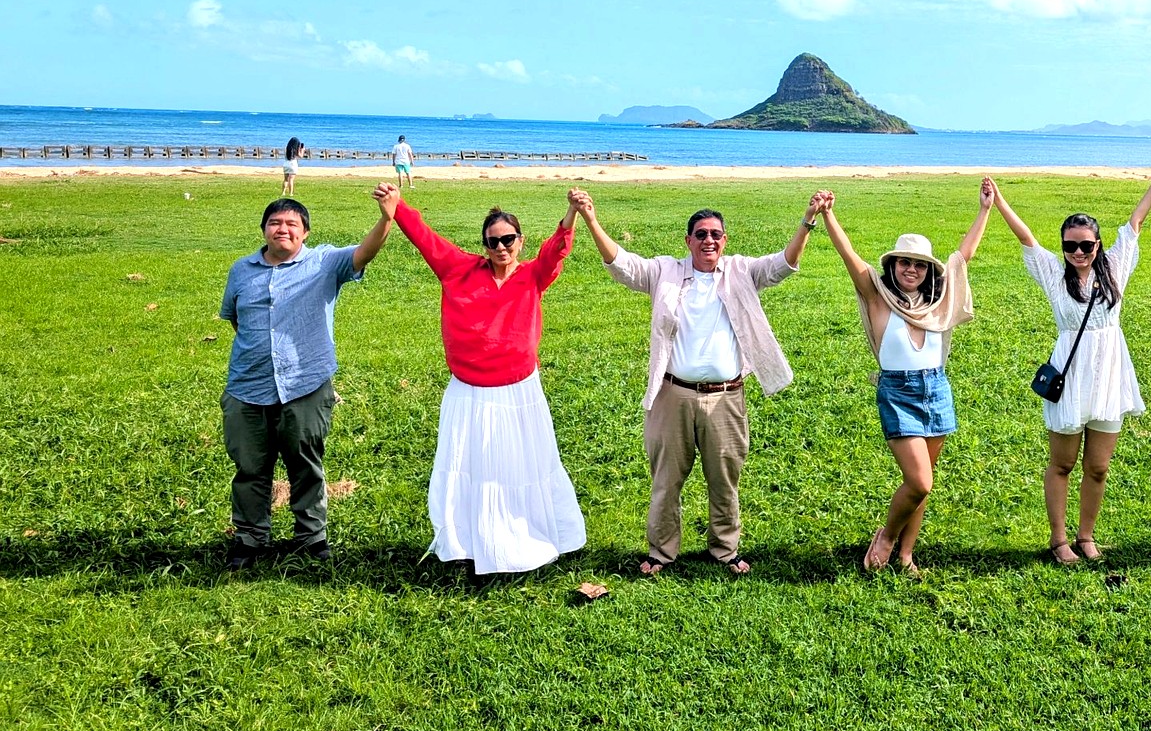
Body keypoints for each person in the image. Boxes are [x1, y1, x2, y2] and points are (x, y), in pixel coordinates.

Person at [571, 188, 824, 576]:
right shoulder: (665, 272)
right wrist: (590, 219)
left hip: (726, 397)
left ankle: (725, 549)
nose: (709, 240)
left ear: (725, 241)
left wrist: (808, 220)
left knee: (725, 479)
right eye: (701, 234)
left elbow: (782, 265)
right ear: (688, 241)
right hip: (672, 394)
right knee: (666, 480)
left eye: (715, 234)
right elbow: (623, 264)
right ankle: (661, 551)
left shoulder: (741, 270)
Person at [388, 184, 585, 575]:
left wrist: (571, 213)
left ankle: (528, 537)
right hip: (469, 393)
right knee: (472, 468)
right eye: (493, 241)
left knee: (522, 466)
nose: (501, 248)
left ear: (519, 240)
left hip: (519, 392)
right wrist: (397, 207)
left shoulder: (532, 276)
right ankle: (470, 541)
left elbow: (556, 251)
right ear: (484, 244)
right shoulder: (459, 269)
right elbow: (427, 240)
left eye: (508, 240)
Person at [814, 183, 993, 576]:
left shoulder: (937, 302)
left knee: (922, 483)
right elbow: (850, 257)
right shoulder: (878, 297)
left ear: (928, 271)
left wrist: (984, 209)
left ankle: (907, 555)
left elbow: (964, 257)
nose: (910, 269)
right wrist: (828, 216)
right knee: (919, 482)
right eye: (903, 263)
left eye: (919, 264)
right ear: (892, 266)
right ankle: (887, 538)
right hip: (898, 392)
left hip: (937, 389)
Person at [988, 171, 1151, 564]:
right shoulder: (1053, 274)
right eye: (1071, 245)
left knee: (1098, 468)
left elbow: (1134, 224)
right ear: (1063, 245)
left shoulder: (1115, 269)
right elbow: (1026, 238)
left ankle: (1086, 536)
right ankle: (1058, 538)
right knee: (1063, 463)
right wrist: (998, 202)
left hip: (1109, 375)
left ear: (1098, 245)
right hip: (1070, 375)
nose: (1078, 252)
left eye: (1086, 245)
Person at [219, 193, 394, 569]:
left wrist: (387, 218)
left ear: (306, 233)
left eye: (291, 224)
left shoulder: (324, 263)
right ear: (264, 230)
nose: (282, 229)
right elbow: (236, 319)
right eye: (275, 223)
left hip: (305, 384)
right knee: (250, 468)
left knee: (305, 464)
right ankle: (250, 539)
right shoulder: (241, 270)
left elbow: (365, 252)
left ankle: (311, 538)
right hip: (247, 386)